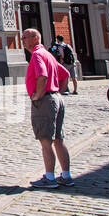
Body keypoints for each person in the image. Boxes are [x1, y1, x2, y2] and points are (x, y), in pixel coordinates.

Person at [22, 28, 72, 188]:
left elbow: (42, 76)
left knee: (46, 141)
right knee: (58, 140)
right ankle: (66, 175)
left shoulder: (37, 55)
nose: (22, 40)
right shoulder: (48, 54)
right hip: (56, 98)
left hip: (45, 100)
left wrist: (38, 95)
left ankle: (49, 178)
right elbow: (65, 74)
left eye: (25, 37)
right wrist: (58, 92)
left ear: (35, 39)